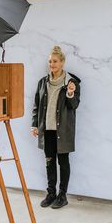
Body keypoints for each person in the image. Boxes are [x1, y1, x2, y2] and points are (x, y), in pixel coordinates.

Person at [31, 45, 81, 209]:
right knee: (49, 162)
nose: (51, 64)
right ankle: (51, 193)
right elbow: (36, 106)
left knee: (63, 162)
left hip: (63, 130)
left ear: (62, 63)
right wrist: (34, 125)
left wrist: (70, 93)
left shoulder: (71, 82)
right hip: (47, 130)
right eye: (50, 61)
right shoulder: (43, 82)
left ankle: (62, 195)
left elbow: (74, 106)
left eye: (55, 61)